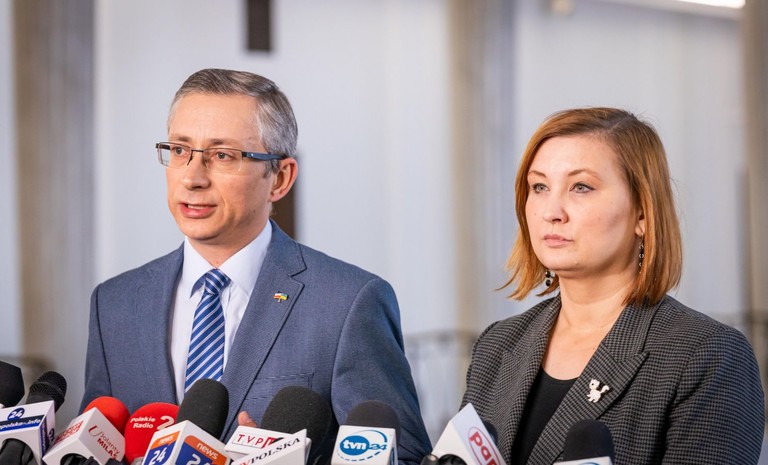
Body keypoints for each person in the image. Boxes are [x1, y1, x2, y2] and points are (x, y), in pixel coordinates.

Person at [81, 68, 431, 464]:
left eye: (222, 156)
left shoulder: (348, 303)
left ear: (280, 178)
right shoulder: (114, 304)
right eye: (179, 150)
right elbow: (91, 446)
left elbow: (405, 456)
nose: (192, 178)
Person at [461, 108, 765, 464]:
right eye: (539, 187)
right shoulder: (497, 345)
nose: (551, 211)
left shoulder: (707, 355)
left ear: (642, 213)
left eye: (581, 187)